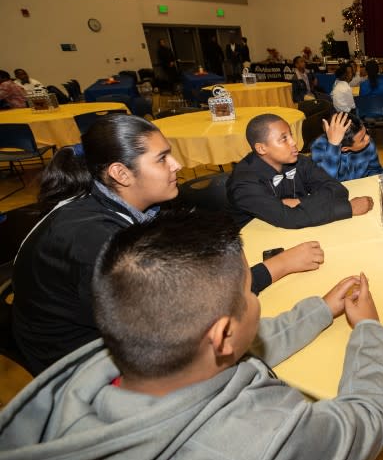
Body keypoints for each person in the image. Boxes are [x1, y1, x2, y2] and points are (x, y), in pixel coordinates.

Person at [0, 211, 383, 460]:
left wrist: (320, 310)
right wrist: (369, 331)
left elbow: (241, 347)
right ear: (222, 335)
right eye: (249, 290)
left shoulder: (93, 371)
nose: (254, 296)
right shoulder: (264, 442)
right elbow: (366, 422)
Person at [11, 115, 325, 375]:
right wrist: (277, 267)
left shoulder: (111, 203)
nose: (176, 165)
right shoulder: (100, 246)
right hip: (80, 370)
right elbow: (189, 314)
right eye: (162, 159)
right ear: (120, 173)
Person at [226, 113, 374, 229]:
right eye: (284, 139)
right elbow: (288, 218)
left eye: (291, 135)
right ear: (261, 148)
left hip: (302, 229)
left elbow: (337, 190)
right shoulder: (244, 182)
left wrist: (297, 202)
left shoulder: (299, 161)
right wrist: (348, 208)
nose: (293, 142)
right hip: (258, 242)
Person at [311, 112, 383, 181]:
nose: (368, 138)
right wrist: (333, 146)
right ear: (344, 149)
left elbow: (375, 170)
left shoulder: (368, 144)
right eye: (362, 139)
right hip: (337, 191)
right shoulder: (319, 147)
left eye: (366, 132)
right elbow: (324, 181)